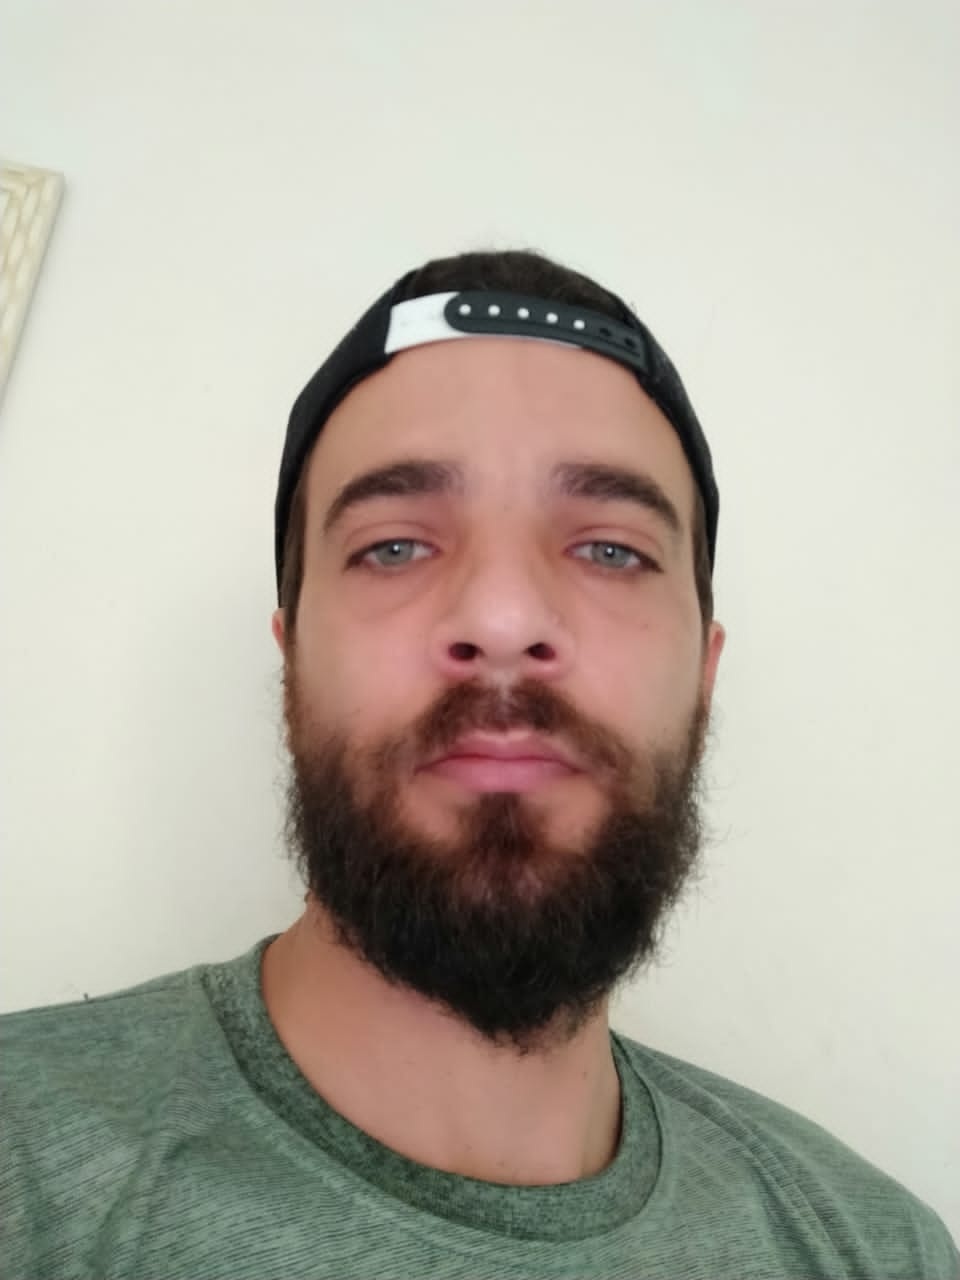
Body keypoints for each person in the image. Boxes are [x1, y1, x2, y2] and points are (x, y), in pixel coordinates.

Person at [2, 249, 956, 1280]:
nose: (503, 619)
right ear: (292, 666)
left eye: (612, 549)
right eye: (394, 546)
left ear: (704, 676)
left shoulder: (882, 1251)